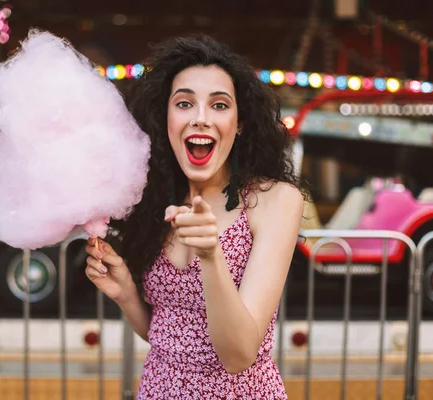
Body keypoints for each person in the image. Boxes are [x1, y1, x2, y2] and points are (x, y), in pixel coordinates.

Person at [84, 35, 307, 399]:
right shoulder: (153, 200)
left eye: (219, 105)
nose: (200, 118)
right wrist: (126, 295)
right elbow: (171, 337)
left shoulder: (275, 200)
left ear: (240, 124)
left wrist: (210, 255)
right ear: (165, 119)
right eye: (184, 103)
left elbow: (238, 355)